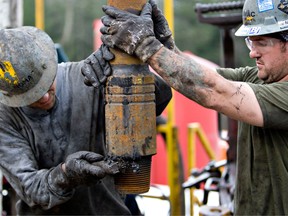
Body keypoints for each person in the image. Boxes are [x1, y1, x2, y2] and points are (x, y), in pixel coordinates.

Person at [100, 0, 288, 214]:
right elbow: (200, 78)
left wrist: (145, 45)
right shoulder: (259, 78)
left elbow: (216, 91)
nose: (253, 53)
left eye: (261, 43)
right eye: (250, 42)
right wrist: (165, 43)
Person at [0, 26, 172, 215]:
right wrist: (66, 174)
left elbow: (160, 97)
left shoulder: (88, 77)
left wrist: (126, 68)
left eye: (46, 85)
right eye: (30, 96)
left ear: (48, 64)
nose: (44, 98)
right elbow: (31, 189)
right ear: (10, 95)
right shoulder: (5, 118)